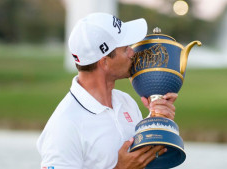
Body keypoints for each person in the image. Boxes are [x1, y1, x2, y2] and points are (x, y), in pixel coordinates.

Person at [37, 12, 177, 169]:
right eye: (125, 49)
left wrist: (157, 121)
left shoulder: (126, 102)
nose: (133, 52)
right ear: (104, 62)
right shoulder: (65, 125)